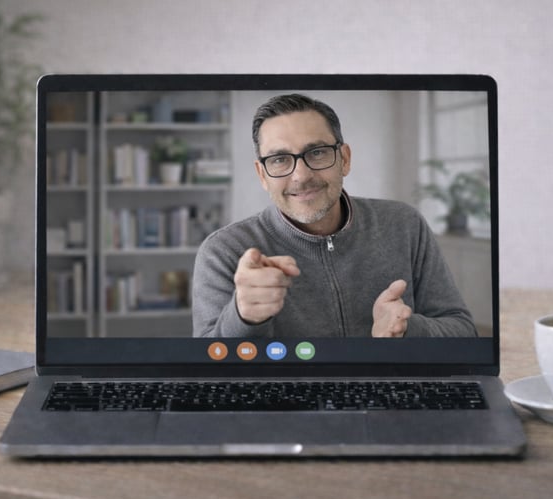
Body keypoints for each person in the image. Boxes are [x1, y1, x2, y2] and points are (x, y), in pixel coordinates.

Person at [191, 93, 477, 339]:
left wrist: (407, 329)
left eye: (316, 152)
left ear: (345, 159)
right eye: (279, 159)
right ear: (262, 175)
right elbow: (207, 367)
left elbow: (463, 331)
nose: (301, 176)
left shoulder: (404, 224)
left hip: (391, 394)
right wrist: (243, 317)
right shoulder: (222, 250)